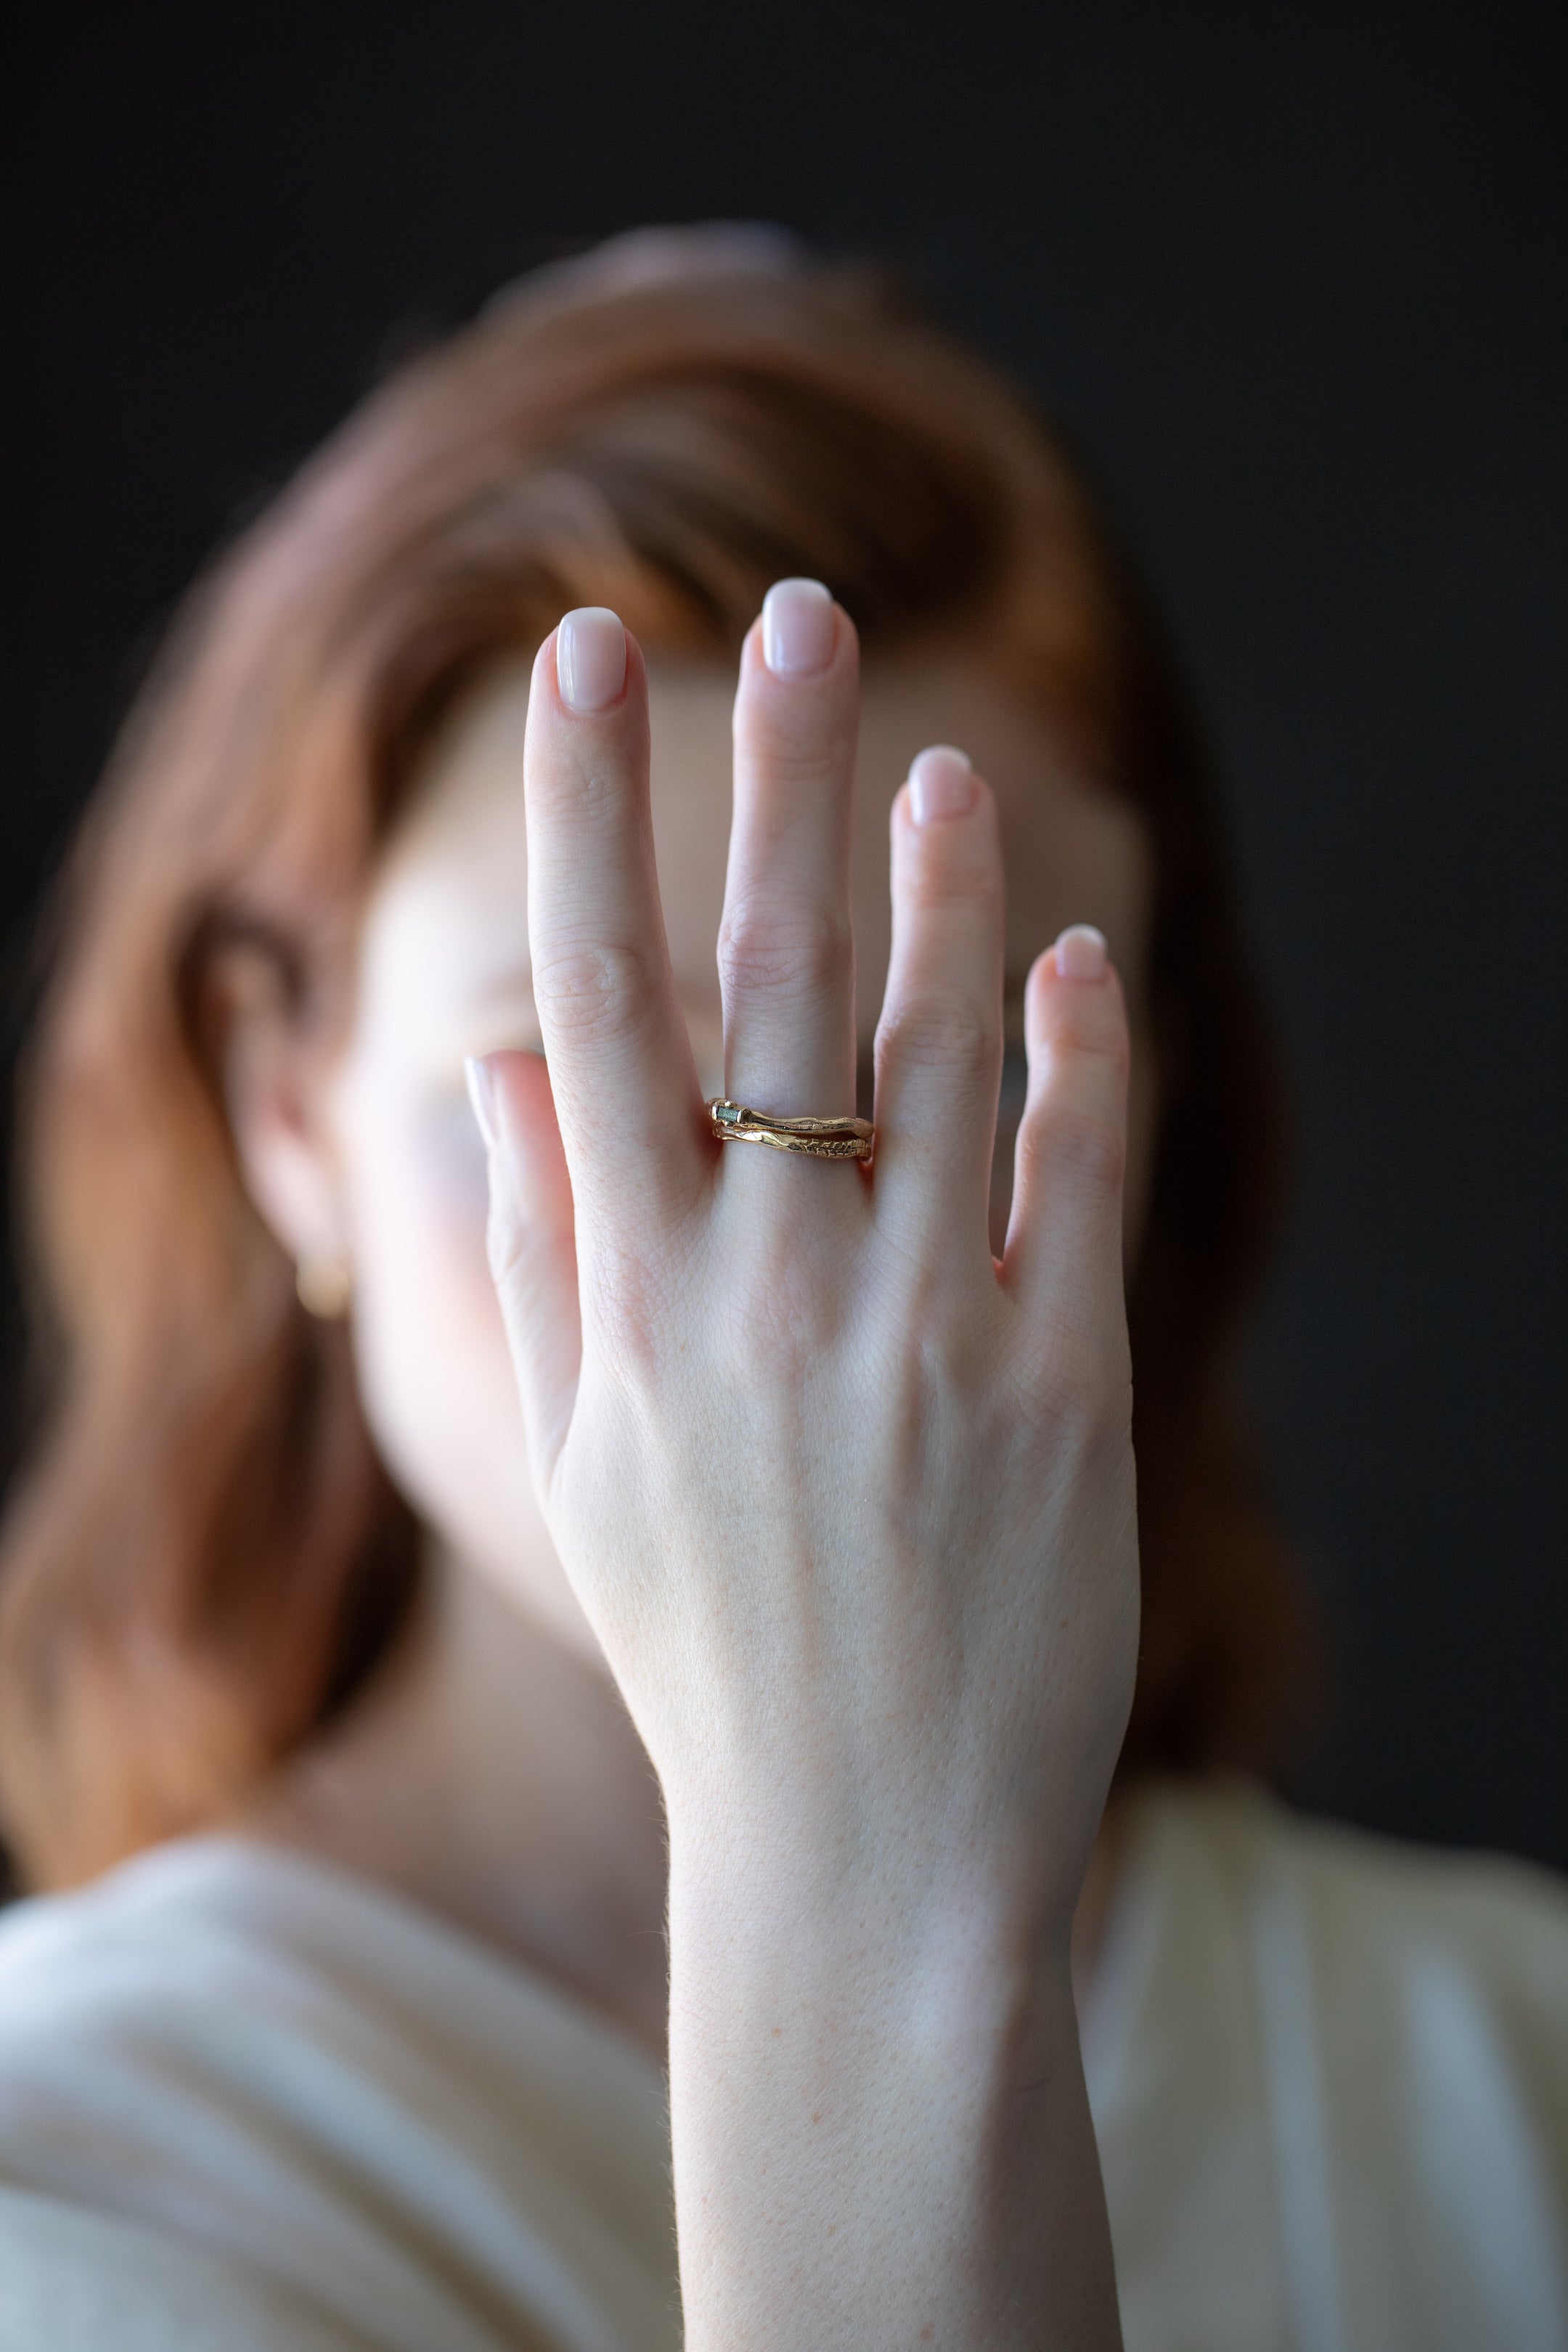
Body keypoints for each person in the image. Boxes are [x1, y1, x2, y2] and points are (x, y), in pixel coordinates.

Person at [0, 228, 1561, 2351]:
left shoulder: (1513, 2074)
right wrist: (856, 1882)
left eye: (952, 1067)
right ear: (287, 1111)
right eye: (587, 1054)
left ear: (1155, 1107)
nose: (780, 1267)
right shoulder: (66, 2171)